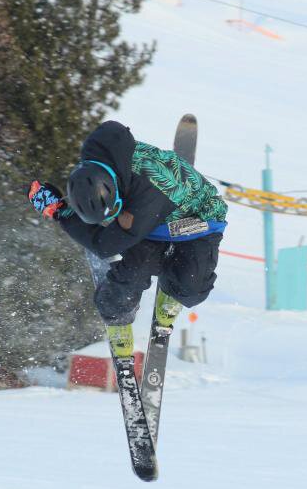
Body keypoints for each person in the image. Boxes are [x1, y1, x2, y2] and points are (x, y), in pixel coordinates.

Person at [28, 120, 227, 358]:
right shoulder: (96, 163)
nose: (111, 218)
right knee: (132, 276)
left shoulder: (150, 188)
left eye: (113, 211)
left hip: (196, 220)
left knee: (192, 288)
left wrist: (60, 212)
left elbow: (105, 245)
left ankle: (174, 289)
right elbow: (105, 234)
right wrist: (63, 208)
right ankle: (117, 314)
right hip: (149, 224)